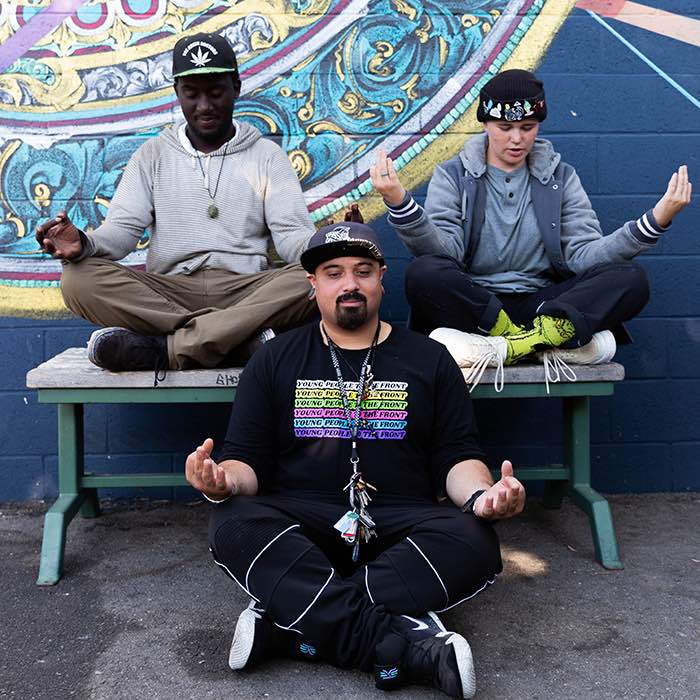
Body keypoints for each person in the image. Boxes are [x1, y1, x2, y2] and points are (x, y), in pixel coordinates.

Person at [185, 221, 526, 698]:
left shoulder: (430, 358)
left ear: (381, 278)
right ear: (313, 285)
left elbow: (457, 455)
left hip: (401, 522)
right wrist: (221, 481)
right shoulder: (275, 359)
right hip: (302, 523)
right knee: (232, 521)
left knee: (474, 539)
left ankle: (291, 621)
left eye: (363, 271)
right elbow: (247, 461)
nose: (350, 284)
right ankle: (401, 643)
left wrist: (481, 496)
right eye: (334, 272)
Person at [371, 69, 692, 382]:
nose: (516, 138)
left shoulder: (561, 178)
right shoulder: (453, 175)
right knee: (423, 273)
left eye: (527, 127)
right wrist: (401, 203)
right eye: (505, 126)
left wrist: (655, 221)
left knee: (631, 279)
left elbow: (583, 256)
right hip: (480, 309)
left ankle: (517, 345)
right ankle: (525, 342)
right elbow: (445, 253)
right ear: (485, 123)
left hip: (546, 309)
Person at [35, 32, 317, 378]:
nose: (204, 106)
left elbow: (291, 237)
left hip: (245, 291)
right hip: (169, 294)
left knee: (317, 280)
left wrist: (331, 244)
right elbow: (122, 233)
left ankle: (169, 350)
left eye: (215, 93)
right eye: (192, 94)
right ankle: (232, 341)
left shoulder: (267, 156)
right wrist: (85, 244)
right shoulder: (153, 155)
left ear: (237, 88)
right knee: (77, 280)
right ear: (177, 93)